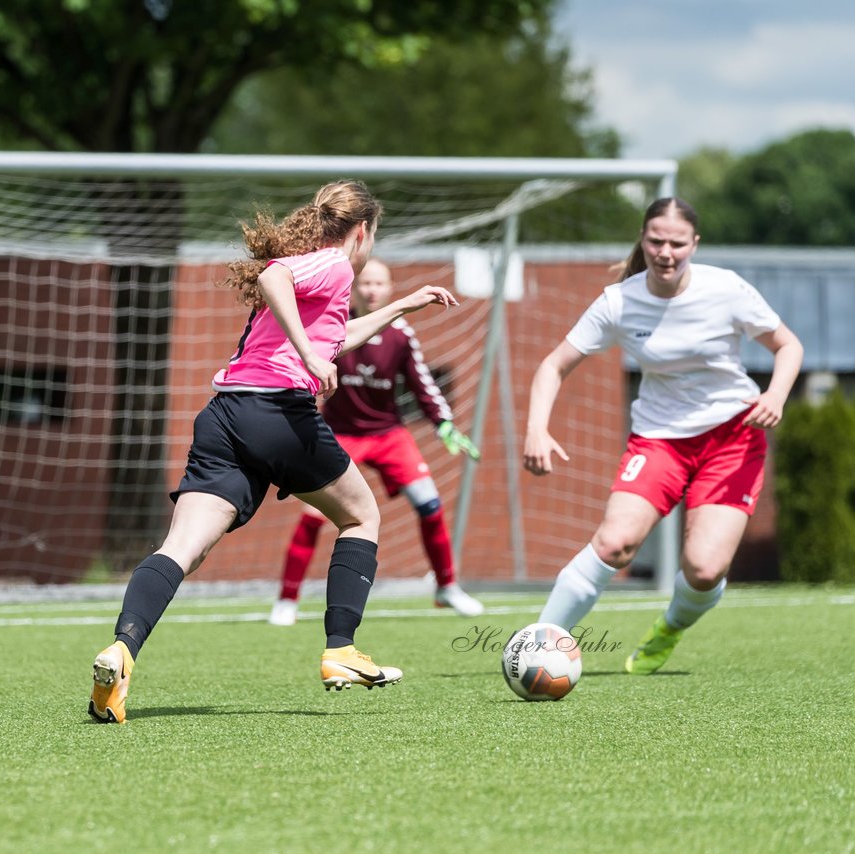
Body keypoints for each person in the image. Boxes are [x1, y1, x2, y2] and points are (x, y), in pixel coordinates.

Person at [88, 180, 460, 723]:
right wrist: (309, 356)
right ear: (363, 230)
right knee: (361, 517)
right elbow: (272, 277)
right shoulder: (333, 264)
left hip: (223, 418)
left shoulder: (317, 277)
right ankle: (341, 650)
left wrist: (402, 305)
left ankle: (121, 652)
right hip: (277, 414)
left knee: (182, 547)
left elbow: (334, 334)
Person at [523, 197, 803, 675]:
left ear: (694, 244)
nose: (666, 251)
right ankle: (537, 645)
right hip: (658, 441)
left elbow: (787, 345)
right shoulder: (619, 301)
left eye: (677, 242)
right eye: (656, 240)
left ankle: (669, 628)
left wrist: (775, 395)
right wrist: (536, 428)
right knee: (614, 543)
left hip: (732, 438)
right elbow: (553, 364)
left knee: (704, 569)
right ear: (643, 240)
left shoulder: (726, 289)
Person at [268, 258, 484, 627]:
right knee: (314, 515)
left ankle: (446, 587)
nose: (372, 290)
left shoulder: (401, 334)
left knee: (430, 503)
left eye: (379, 284)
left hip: (388, 435)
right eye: (366, 283)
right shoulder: (337, 325)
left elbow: (423, 384)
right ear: (356, 288)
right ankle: (287, 600)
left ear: (390, 289)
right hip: (339, 435)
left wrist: (444, 424)